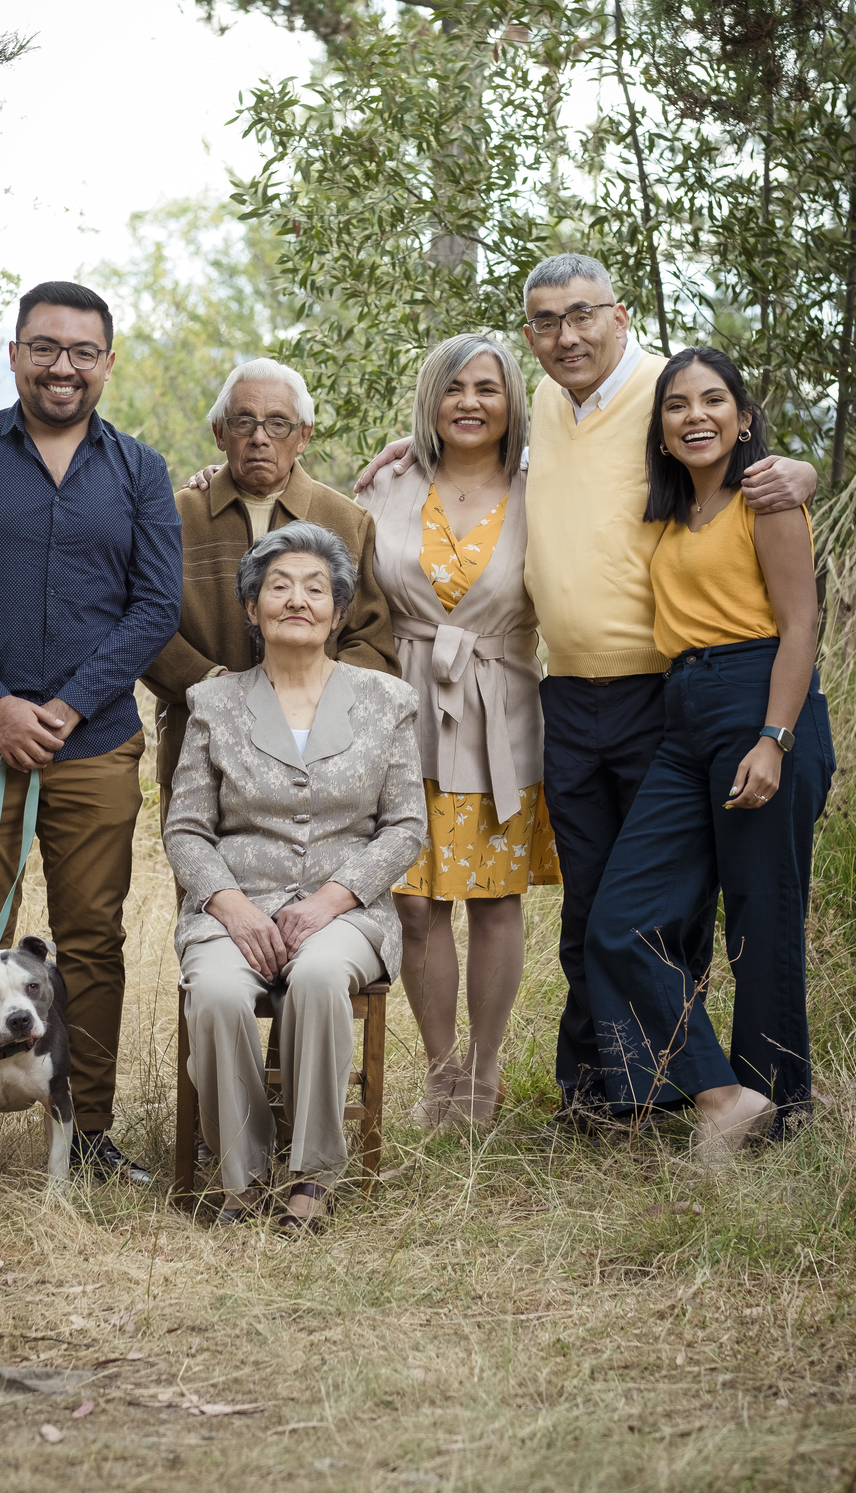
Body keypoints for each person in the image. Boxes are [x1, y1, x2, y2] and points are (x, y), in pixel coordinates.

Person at [356, 255, 819, 1129]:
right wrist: (410, 448)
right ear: (531, 335)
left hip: (663, 692)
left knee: (664, 908)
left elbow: (729, 435)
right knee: (594, 903)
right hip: (566, 697)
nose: (566, 335)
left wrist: (798, 472)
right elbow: (474, 443)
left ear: (620, 314)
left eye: (582, 315)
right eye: (546, 321)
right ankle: (606, 1090)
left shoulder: (660, 390)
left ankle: (746, 1098)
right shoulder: (547, 414)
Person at [0, 280, 183, 1184]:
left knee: (92, 939)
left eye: (82, 351)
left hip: (93, 741)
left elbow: (155, 605)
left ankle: (86, 1129)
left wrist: (63, 707)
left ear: (107, 360)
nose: (64, 366)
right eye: (45, 347)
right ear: (17, 352)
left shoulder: (138, 470)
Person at [584, 347, 834, 1165]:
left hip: (760, 698)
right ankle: (726, 1096)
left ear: (743, 416)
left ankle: (781, 1125)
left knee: (761, 920)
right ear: (659, 431)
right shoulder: (669, 515)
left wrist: (774, 737)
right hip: (682, 713)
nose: (696, 416)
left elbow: (800, 627)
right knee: (621, 921)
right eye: (677, 406)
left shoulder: (765, 500)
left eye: (713, 400)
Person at [165, 523, 425, 1231]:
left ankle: (311, 1176)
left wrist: (331, 901)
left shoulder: (386, 700)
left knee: (316, 977)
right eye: (278, 587)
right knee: (216, 992)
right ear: (251, 609)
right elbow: (186, 828)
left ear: (339, 612)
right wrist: (232, 908)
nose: (297, 600)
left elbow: (406, 826)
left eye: (316, 588)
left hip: (345, 910)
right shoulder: (213, 704)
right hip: (234, 905)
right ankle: (242, 1176)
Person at [356, 334, 558, 1129]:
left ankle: (484, 1069)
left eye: (488, 388)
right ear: (430, 401)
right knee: (414, 903)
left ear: (513, 402)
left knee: (495, 898)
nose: (470, 402)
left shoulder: (545, 487)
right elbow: (324, 547)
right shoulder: (390, 483)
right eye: (453, 389)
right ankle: (440, 1075)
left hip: (503, 710)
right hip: (402, 707)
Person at [143, 358, 399, 858]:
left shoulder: (346, 521)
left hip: (322, 757)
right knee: (209, 911)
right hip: (203, 750)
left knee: (318, 910)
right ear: (221, 433)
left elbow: (373, 639)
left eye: (278, 424)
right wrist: (216, 686)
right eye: (244, 422)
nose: (260, 437)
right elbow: (145, 624)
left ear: (303, 436)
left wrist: (309, 698)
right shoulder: (175, 518)